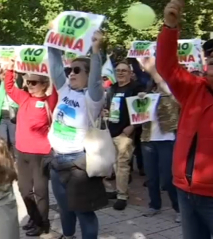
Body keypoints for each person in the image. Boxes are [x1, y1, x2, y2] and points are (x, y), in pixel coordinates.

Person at [156, 0, 213, 238]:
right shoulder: (194, 89)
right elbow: (167, 67)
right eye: (210, 56)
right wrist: (170, 27)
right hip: (185, 190)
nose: (211, 60)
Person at [47, 30, 108, 239]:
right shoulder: (65, 90)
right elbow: (55, 66)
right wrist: (52, 39)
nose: (71, 73)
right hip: (56, 160)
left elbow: (96, 81)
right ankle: (68, 235)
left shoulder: (93, 98)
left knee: (84, 212)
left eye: (77, 70)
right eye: (70, 69)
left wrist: (96, 50)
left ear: (88, 75)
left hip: (78, 164)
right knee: (65, 208)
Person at [4, 61, 58, 236]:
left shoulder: (49, 101)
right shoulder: (24, 98)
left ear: (44, 84)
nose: (29, 85)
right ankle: (33, 218)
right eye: (28, 82)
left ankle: (43, 222)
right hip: (22, 151)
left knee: (41, 191)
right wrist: (10, 68)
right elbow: (10, 87)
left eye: (34, 82)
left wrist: (56, 64)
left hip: (40, 153)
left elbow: (59, 85)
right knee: (23, 189)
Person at [137, 57, 180, 222]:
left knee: (169, 178)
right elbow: (140, 117)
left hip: (167, 139)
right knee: (151, 177)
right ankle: (154, 205)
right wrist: (140, 102)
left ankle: (178, 208)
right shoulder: (148, 93)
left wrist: (153, 69)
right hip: (148, 139)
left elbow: (169, 93)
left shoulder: (172, 92)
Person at [105, 61, 145, 210]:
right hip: (112, 130)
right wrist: (106, 113)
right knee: (115, 164)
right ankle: (118, 190)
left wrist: (132, 126)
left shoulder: (136, 88)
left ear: (130, 73)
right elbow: (108, 106)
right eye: (118, 70)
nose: (120, 73)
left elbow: (142, 111)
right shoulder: (112, 88)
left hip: (125, 133)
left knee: (122, 164)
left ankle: (122, 195)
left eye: (124, 70)